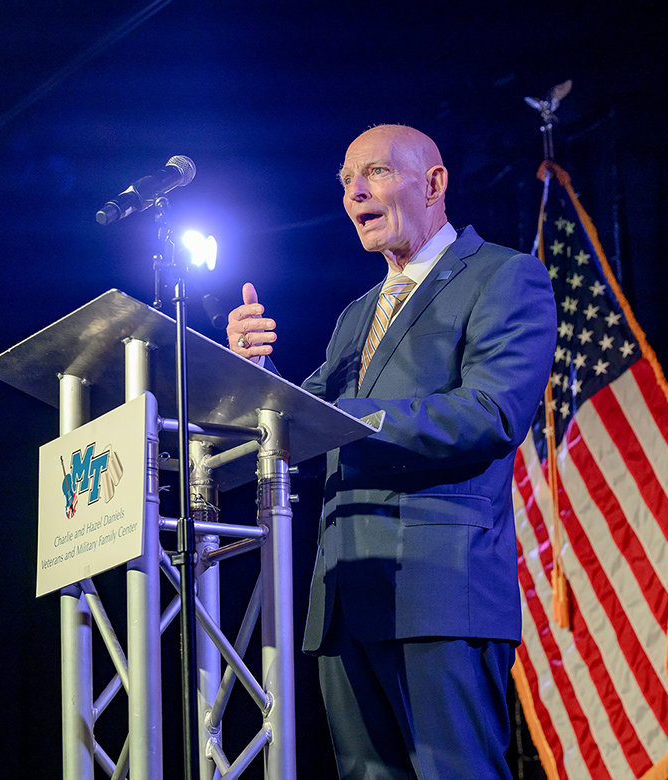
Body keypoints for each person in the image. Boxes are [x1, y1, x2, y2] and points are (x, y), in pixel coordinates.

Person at [227, 124, 556, 779]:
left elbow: (489, 414)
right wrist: (255, 370)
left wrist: (340, 420)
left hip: (440, 590)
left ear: (433, 184)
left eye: (374, 173)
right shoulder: (356, 314)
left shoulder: (504, 276)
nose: (354, 193)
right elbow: (298, 418)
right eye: (346, 181)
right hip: (347, 596)